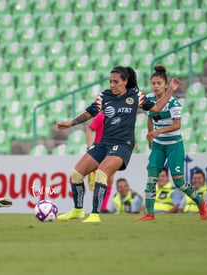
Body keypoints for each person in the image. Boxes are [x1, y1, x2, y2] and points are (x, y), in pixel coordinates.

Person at [56, 65, 181, 223]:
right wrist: (71, 123)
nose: (112, 85)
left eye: (116, 82)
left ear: (125, 81)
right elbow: (90, 112)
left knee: (102, 173)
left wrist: (170, 90)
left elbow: (156, 108)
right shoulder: (105, 96)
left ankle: (95, 214)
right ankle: (78, 210)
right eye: (110, 82)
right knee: (76, 174)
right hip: (104, 143)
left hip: (123, 144)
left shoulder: (135, 95)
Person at [137, 65, 207, 221]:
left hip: (174, 144)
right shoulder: (149, 99)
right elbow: (150, 118)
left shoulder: (173, 103)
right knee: (151, 178)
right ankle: (149, 213)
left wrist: (158, 132)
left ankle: (201, 202)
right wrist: (150, 137)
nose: (155, 86)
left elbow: (177, 125)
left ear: (165, 85)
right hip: (158, 144)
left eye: (159, 83)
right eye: (153, 83)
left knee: (179, 182)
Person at [85, 112, 114, 212]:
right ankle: (98, 207)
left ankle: (103, 207)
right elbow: (90, 128)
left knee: (109, 179)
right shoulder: (101, 115)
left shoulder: (118, 115)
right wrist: (89, 146)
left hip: (112, 149)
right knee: (100, 179)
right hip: (100, 148)